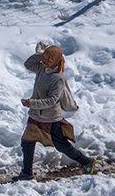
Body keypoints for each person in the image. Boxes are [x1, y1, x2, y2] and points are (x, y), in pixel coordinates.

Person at [16, 42, 96, 181]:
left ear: (57, 61)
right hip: (35, 115)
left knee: (62, 146)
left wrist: (32, 103)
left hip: (51, 118)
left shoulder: (57, 78)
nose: (46, 60)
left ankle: (87, 161)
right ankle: (27, 173)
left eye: (50, 58)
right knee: (27, 142)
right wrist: (41, 54)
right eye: (46, 56)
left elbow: (52, 100)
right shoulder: (41, 68)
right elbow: (28, 64)